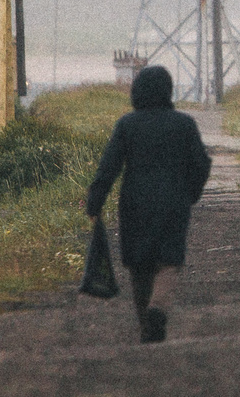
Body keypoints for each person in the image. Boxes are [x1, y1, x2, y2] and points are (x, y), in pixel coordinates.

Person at [84, 64, 212, 343]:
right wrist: (191, 193)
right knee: (168, 262)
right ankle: (158, 309)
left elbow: (108, 167)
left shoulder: (127, 125)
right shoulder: (184, 124)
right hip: (174, 203)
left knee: (140, 265)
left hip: (135, 204)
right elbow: (201, 165)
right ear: (168, 91)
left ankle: (146, 323)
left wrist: (95, 201)